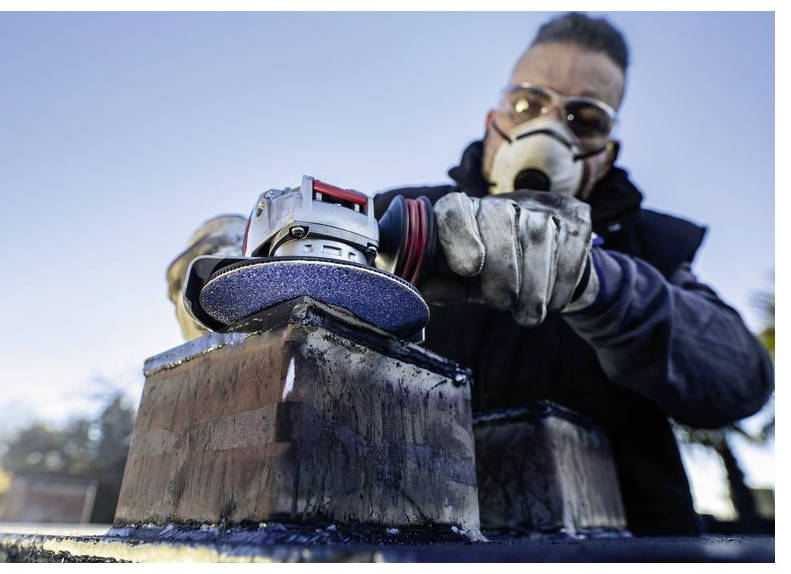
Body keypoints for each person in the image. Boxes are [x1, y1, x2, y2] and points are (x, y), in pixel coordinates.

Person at [167, 13, 774, 536]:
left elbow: (742, 382)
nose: (548, 129)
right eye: (529, 104)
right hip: (403, 544)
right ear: (494, 121)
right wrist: (238, 253)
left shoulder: (653, 253)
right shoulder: (400, 217)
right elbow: (289, 310)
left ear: (606, 150)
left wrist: (596, 284)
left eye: (583, 119)